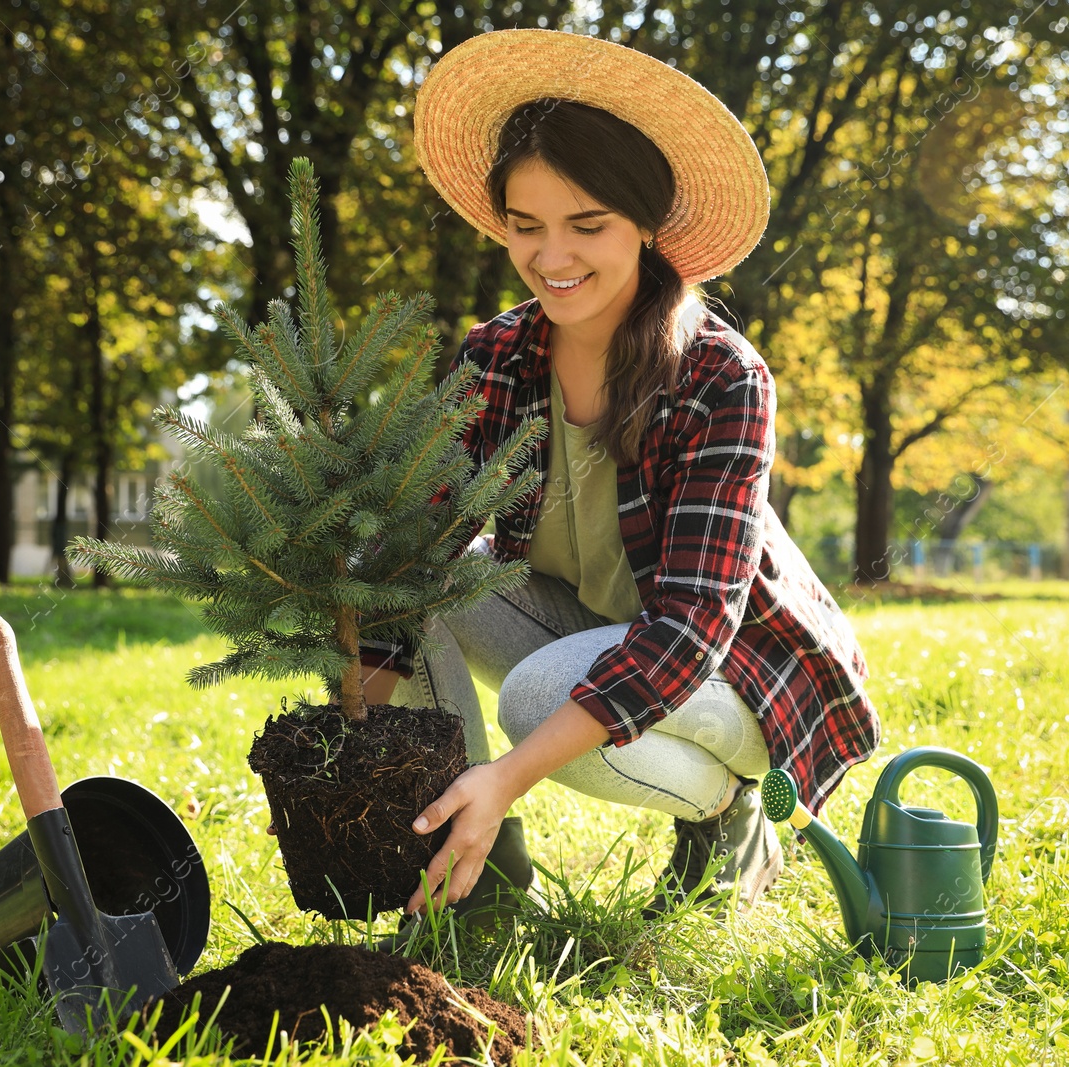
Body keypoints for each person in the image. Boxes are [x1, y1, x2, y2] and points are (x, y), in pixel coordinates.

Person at [356, 28, 880, 934]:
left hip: (733, 672)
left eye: (587, 225)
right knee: (392, 573)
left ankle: (728, 814)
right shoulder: (498, 355)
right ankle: (476, 876)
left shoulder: (720, 376)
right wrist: (352, 728)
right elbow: (418, 539)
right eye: (526, 226)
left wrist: (509, 770)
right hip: (584, 625)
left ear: (645, 226)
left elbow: (686, 632)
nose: (552, 256)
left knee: (534, 701)